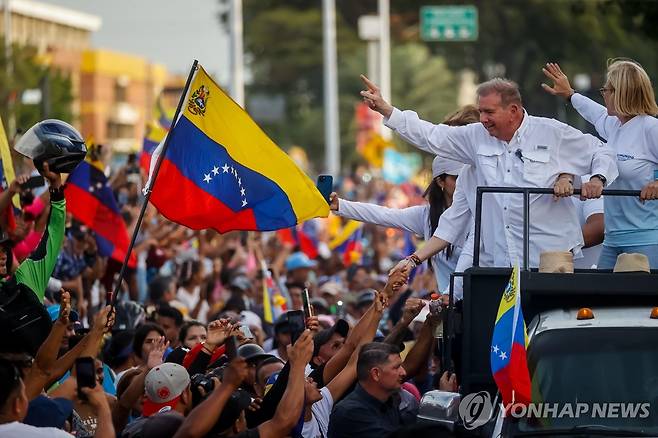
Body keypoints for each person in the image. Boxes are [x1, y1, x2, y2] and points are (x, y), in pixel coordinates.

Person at [360, 75, 619, 269]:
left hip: (550, 260)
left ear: (514, 111)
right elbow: (432, 136)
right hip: (502, 262)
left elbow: (603, 152)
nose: (482, 118)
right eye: (481, 111)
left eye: (489, 112)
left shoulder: (552, 132)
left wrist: (598, 178)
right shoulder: (476, 137)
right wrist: (387, 110)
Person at [542, 60, 658, 268]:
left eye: (607, 89)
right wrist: (570, 94)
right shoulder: (614, 124)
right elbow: (593, 112)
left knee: (641, 302)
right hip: (612, 239)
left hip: (647, 240)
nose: (603, 93)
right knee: (598, 299)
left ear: (623, 92)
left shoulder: (650, 128)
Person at [327, 342, 409, 438]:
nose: (403, 372)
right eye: (396, 367)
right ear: (376, 374)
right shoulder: (350, 412)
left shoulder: (390, 402)